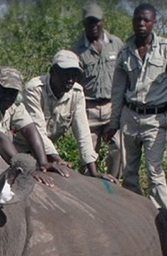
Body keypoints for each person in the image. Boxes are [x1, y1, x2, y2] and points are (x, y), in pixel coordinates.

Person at [107, 3, 167, 210]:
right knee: (129, 169)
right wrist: (114, 122)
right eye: (137, 19)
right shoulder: (125, 51)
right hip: (130, 115)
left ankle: (163, 216)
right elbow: (118, 90)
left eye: (146, 20)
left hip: (154, 118)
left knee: (154, 170)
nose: (141, 24)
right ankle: (133, 212)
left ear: (153, 23)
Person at [23, 49, 116, 183]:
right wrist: (57, 158)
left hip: (48, 154)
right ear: (53, 71)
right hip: (23, 148)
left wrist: (93, 170)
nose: (70, 79)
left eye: (74, 74)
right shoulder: (34, 89)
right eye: (65, 74)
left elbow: (83, 132)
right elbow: (38, 131)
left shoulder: (76, 93)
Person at [0, 66, 70, 187]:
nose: (8, 96)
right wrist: (27, 168)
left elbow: (29, 128)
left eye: (13, 92)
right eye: (4, 90)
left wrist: (43, 162)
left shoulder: (13, 99)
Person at [71, 3, 125, 179]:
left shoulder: (116, 44)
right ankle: (88, 191)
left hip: (111, 106)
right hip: (88, 107)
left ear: (102, 22)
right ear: (83, 24)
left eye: (96, 22)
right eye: (89, 22)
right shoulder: (77, 49)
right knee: (88, 153)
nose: (93, 26)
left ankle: (112, 186)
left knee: (117, 147)